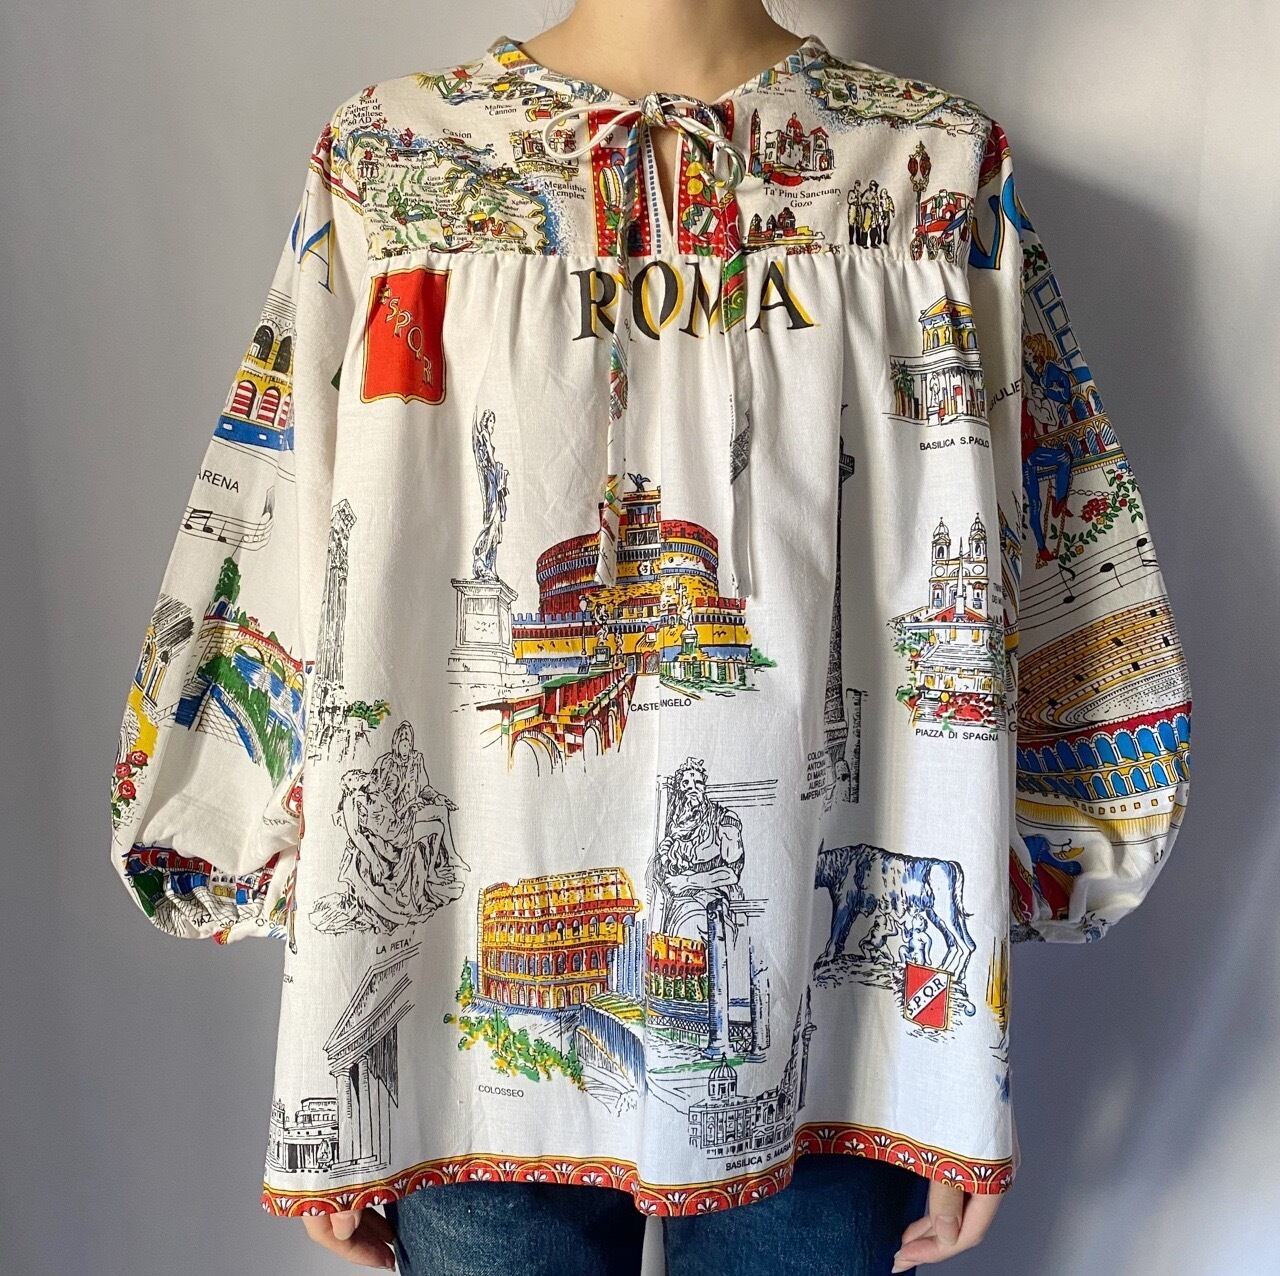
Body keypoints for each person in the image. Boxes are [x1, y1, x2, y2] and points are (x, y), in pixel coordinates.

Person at [109, 0, 1194, 1272]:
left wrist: (958, 1061)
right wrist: (326, 1058)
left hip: (826, 1018)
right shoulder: (392, 165)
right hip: (460, 1033)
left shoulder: (932, 175)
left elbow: (1035, 550)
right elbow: (293, 522)